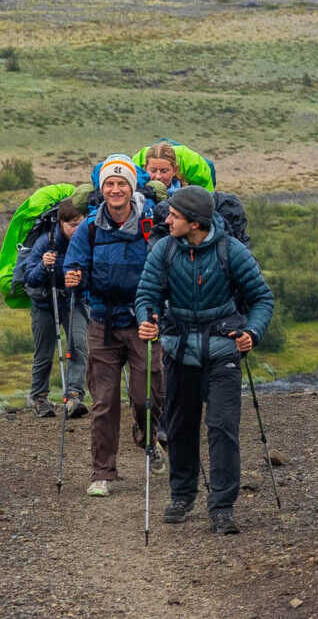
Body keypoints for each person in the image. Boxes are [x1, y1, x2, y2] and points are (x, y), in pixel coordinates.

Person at [135, 184, 274, 535]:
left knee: (222, 427)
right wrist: (146, 320)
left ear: (195, 223)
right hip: (180, 351)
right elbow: (146, 295)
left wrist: (252, 334)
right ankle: (182, 495)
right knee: (180, 426)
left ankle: (223, 507)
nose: (167, 220)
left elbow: (262, 299)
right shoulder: (163, 250)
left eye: (175, 216)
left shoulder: (232, 251)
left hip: (223, 350)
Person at [65, 155, 165, 496]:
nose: (116, 189)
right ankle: (102, 472)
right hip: (103, 322)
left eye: (122, 183)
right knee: (104, 401)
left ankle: (147, 437)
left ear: (132, 187)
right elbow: (73, 263)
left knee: (146, 396)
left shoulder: (151, 223)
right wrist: (73, 274)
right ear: (102, 189)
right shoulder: (90, 227)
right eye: (109, 183)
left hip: (144, 321)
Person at [14, 195, 91, 418]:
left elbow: (96, 275)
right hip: (44, 301)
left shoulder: (88, 242)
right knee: (44, 352)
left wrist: (80, 279)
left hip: (75, 299)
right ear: (61, 223)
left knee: (77, 344)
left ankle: (74, 395)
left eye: (81, 224)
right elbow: (29, 277)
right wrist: (43, 266)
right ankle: (39, 398)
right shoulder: (45, 242)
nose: (77, 229)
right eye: (72, 225)